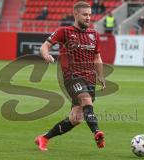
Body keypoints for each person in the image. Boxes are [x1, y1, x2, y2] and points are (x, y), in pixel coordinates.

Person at [35, 1, 106, 151]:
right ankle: (97, 132)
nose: (88, 18)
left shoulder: (94, 34)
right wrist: (46, 55)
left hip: (89, 79)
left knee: (76, 118)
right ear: (76, 14)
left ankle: (44, 138)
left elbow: (97, 58)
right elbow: (44, 46)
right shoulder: (64, 31)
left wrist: (101, 75)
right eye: (85, 15)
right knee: (86, 100)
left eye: (90, 15)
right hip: (72, 77)